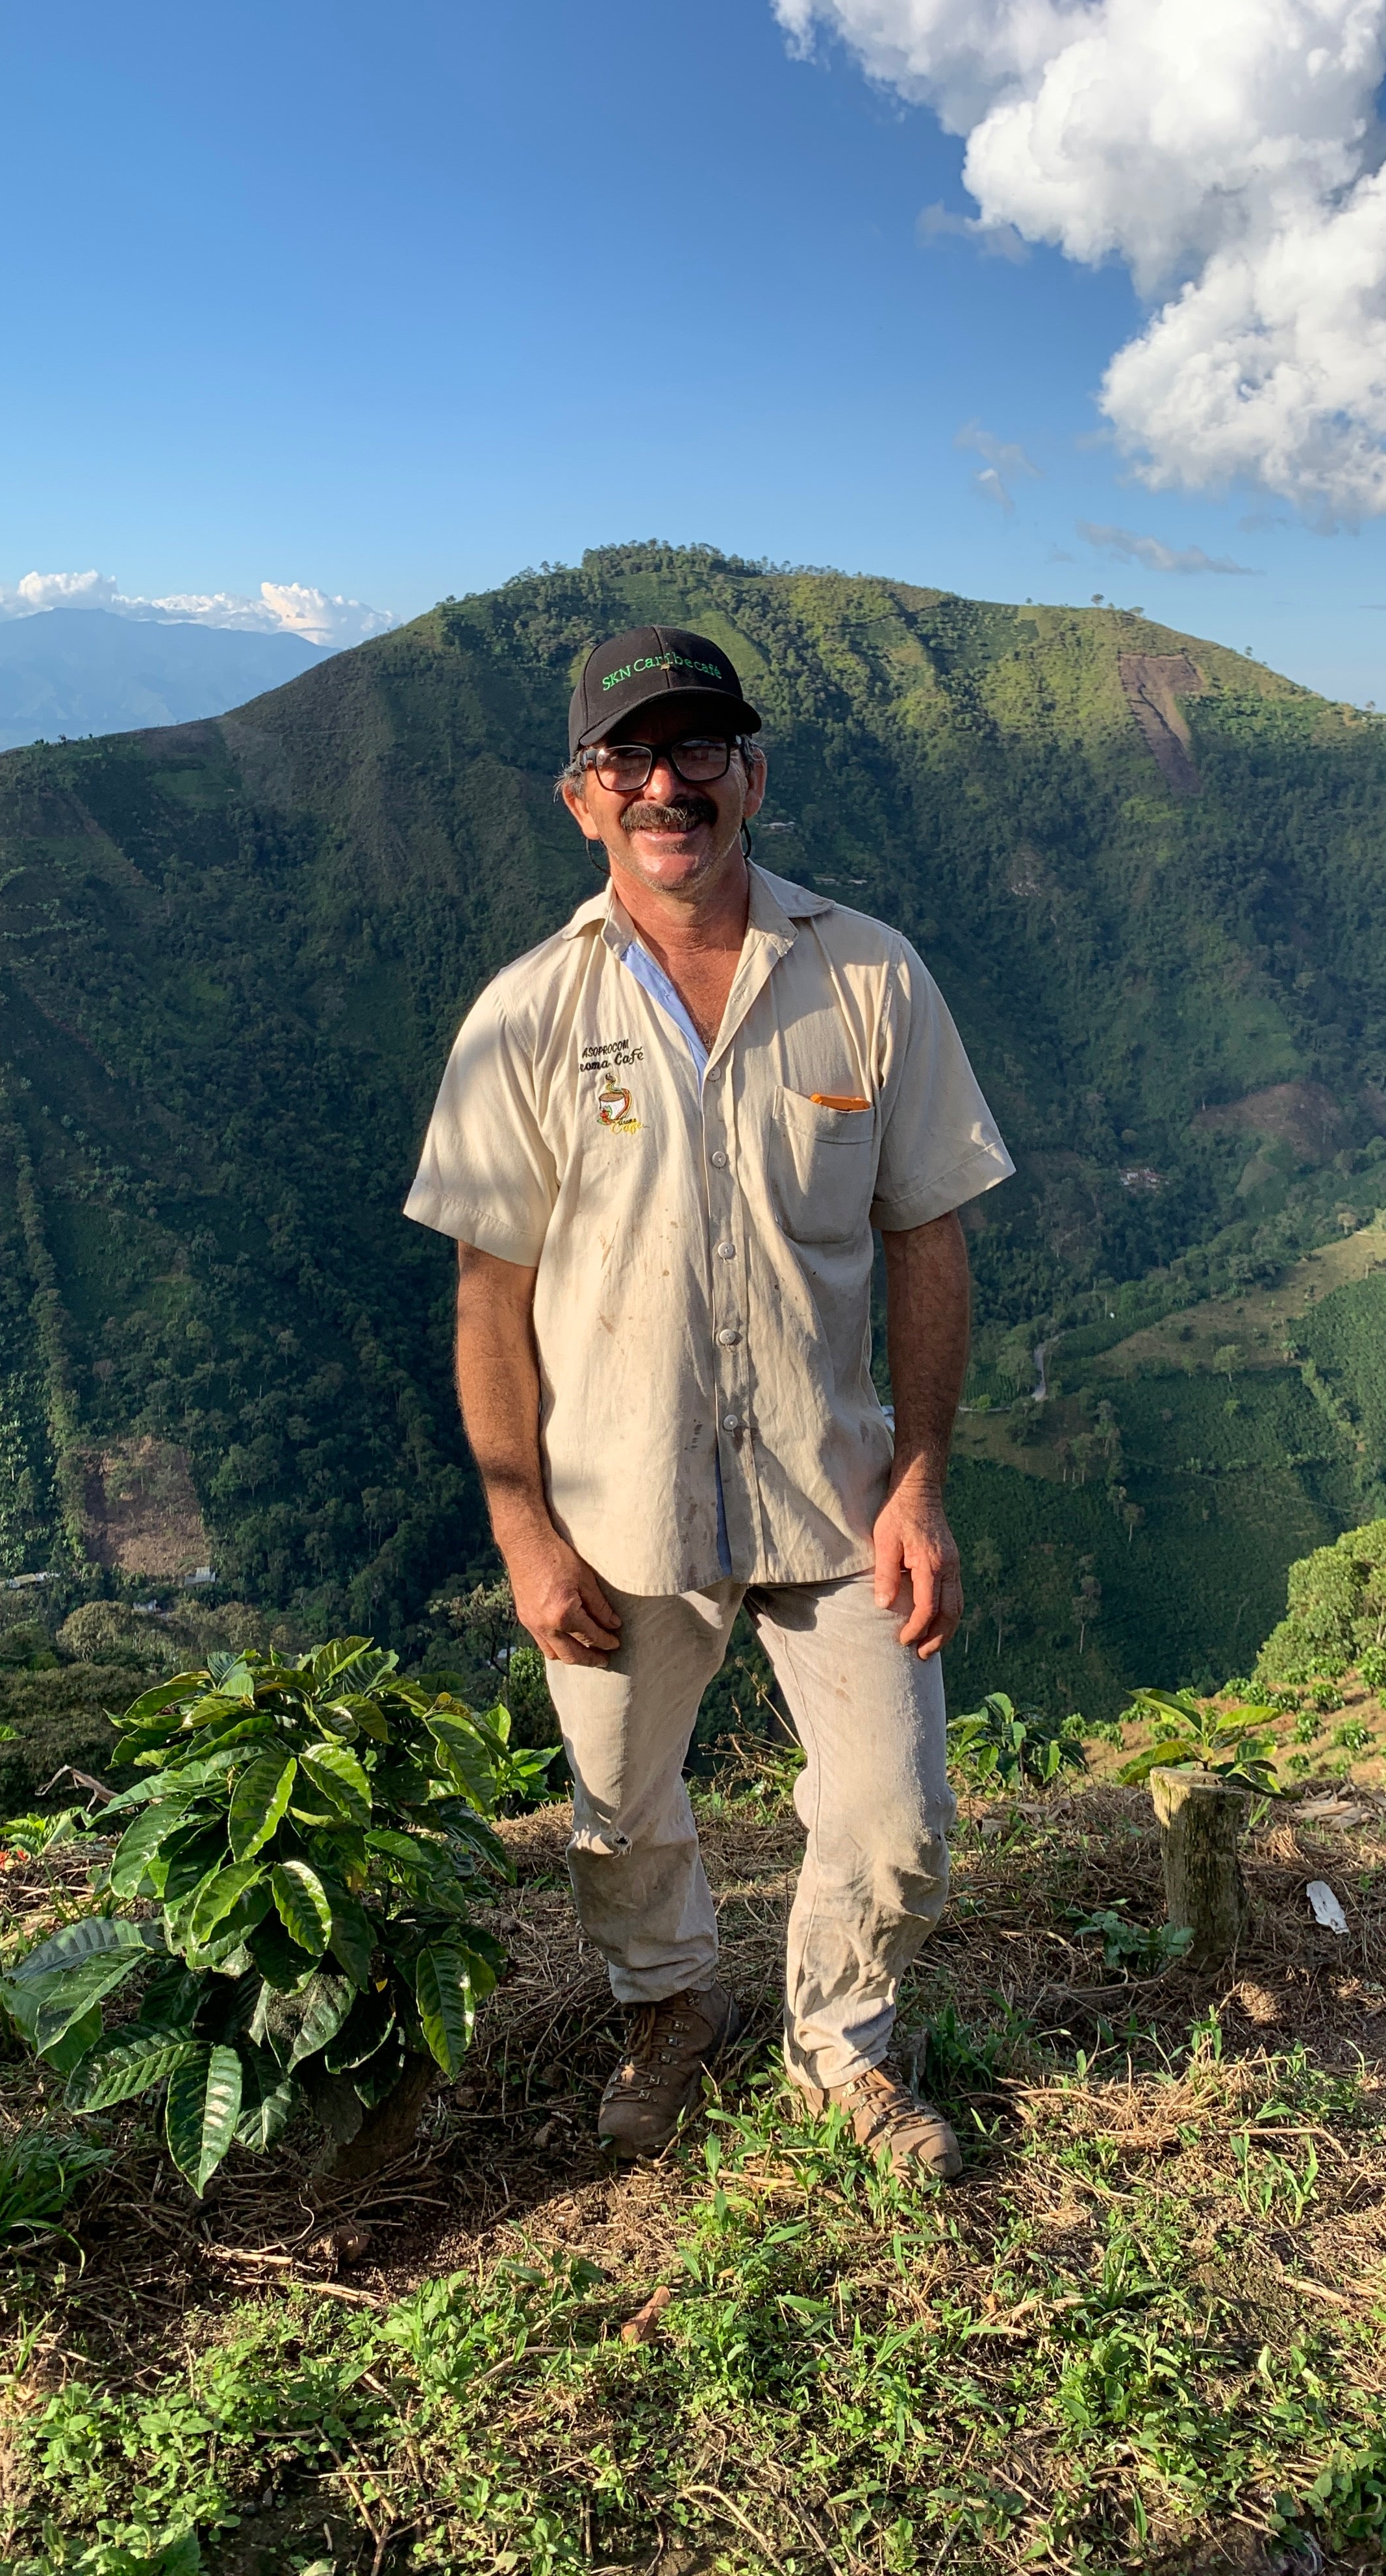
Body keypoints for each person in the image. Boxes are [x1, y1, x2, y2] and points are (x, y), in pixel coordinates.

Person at [405, 625, 1013, 2175]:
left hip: (836, 1487)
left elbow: (927, 1235)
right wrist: (523, 1526)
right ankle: (669, 2006)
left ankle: (842, 2048)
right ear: (582, 798)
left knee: (895, 1814)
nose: (668, 785)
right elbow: (490, 1295)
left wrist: (923, 1481)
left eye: (697, 752)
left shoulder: (870, 975)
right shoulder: (528, 1014)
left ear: (751, 774)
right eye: (632, 759)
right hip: (613, 1503)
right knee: (616, 1806)